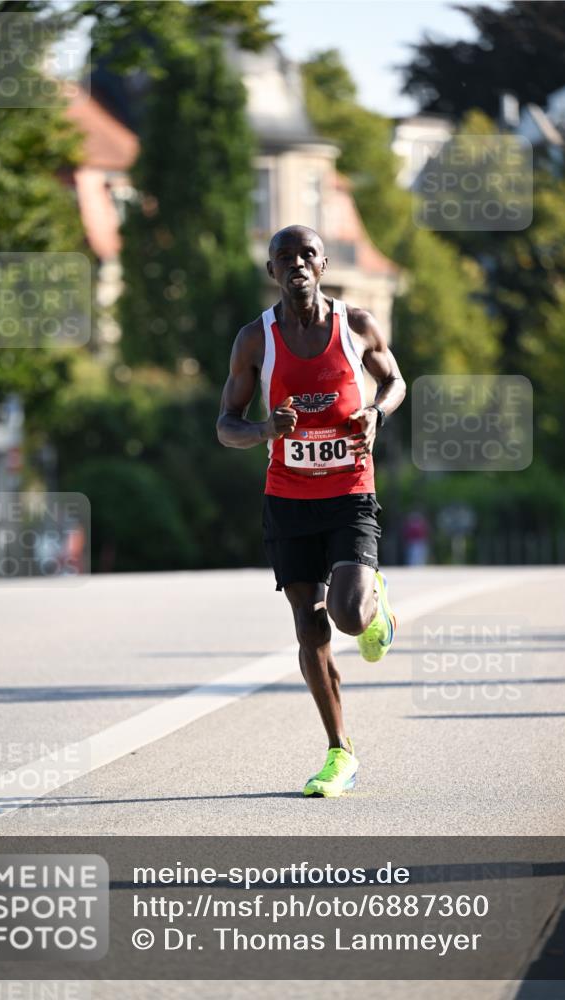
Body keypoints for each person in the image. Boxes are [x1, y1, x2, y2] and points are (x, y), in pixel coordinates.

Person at [216, 225, 406, 798]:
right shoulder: (255, 340)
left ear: (322, 265)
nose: (296, 264)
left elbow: (395, 380)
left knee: (348, 616)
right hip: (288, 498)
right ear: (271, 271)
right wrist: (262, 429)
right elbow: (226, 426)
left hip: (349, 491)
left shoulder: (356, 326)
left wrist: (376, 413)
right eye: (284, 257)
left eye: (307, 255)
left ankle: (376, 609)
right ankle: (339, 751)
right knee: (308, 625)